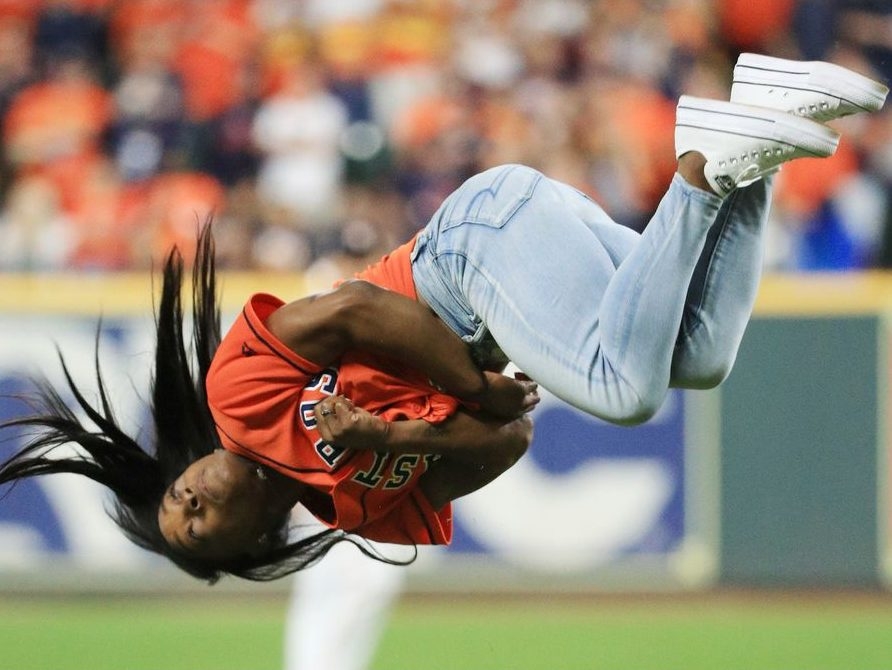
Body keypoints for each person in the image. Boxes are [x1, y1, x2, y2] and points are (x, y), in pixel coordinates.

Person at [0, 54, 887, 584]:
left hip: (466, 252)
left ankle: (697, 164)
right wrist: (391, 439)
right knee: (696, 360)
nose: (185, 498)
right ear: (245, 547)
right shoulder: (367, 512)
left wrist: (470, 389)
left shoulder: (237, 398)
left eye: (173, 494)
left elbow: (358, 307)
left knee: (625, 389)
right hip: (515, 255)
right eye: (190, 526)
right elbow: (505, 447)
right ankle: (757, 132)